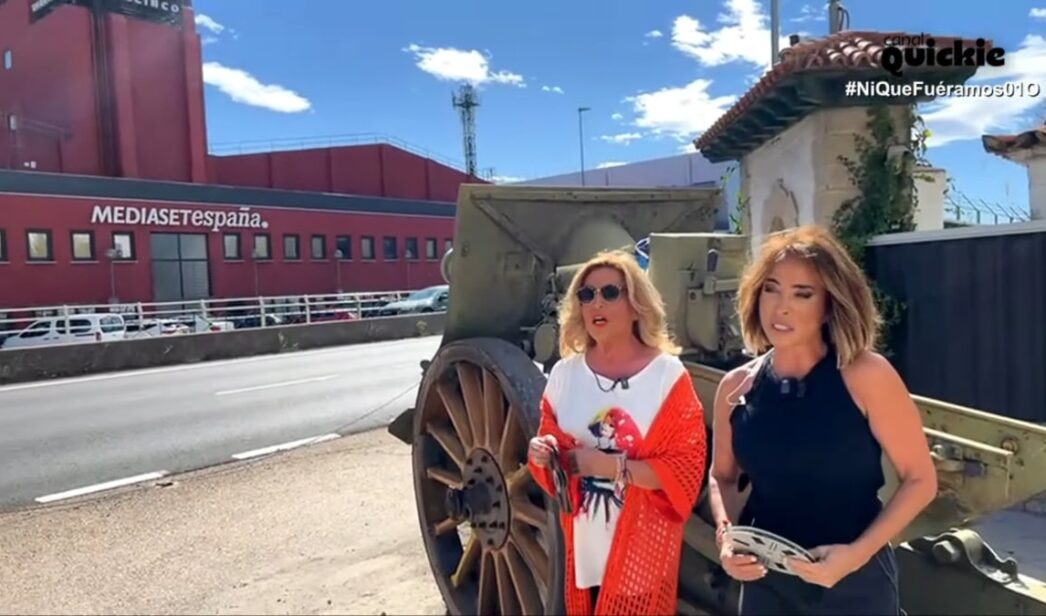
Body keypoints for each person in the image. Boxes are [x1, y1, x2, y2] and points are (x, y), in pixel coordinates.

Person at [708, 225, 938, 615]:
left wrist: (854, 556)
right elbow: (722, 477)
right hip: (767, 583)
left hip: (854, 582)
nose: (781, 307)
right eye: (771, 288)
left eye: (803, 294)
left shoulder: (866, 374)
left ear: (830, 304)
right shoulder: (735, 387)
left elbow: (921, 480)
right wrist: (727, 537)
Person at [526, 250, 708, 616]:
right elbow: (550, 456)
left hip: (641, 558)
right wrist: (541, 452)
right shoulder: (564, 375)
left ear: (635, 303)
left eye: (610, 292)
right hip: (584, 554)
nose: (596, 302)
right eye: (586, 294)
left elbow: (684, 473)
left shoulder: (667, 376)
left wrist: (611, 467)